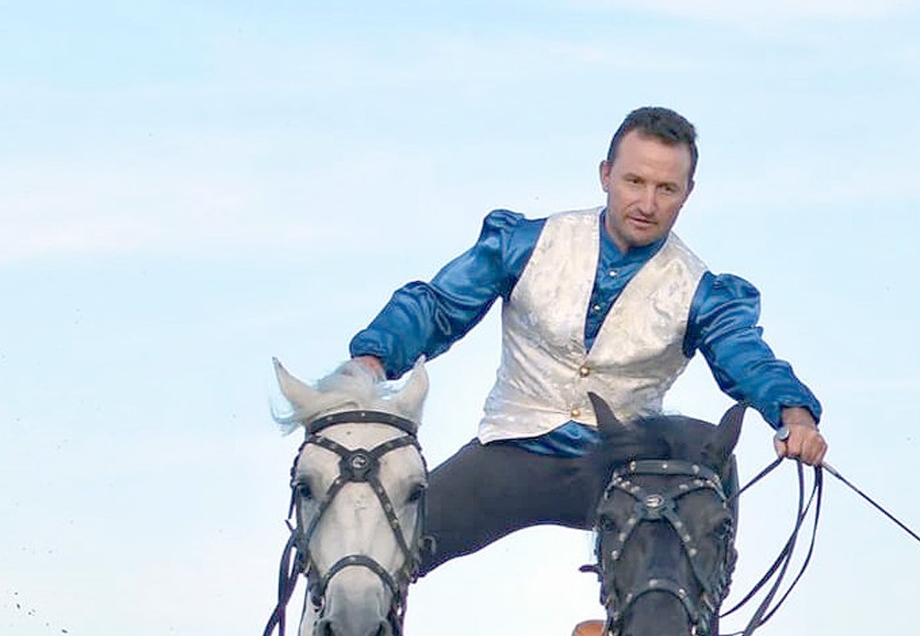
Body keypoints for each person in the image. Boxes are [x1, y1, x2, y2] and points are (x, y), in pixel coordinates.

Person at [349, 105, 827, 576]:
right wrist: (373, 360)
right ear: (605, 174)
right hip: (515, 447)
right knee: (381, 551)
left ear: (688, 193)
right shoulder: (526, 243)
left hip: (624, 469)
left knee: (703, 448)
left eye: (666, 189)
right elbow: (438, 307)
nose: (647, 203)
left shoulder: (700, 291)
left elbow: (747, 357)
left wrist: (793, 416)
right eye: (634, 182)